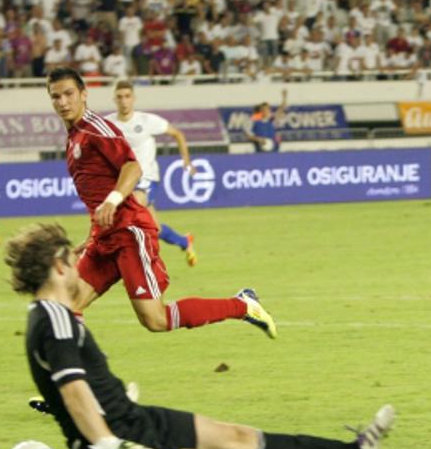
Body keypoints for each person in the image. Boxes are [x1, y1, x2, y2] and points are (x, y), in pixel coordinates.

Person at [5, 223, 395, 449]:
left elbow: (74, 389)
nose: (79, 265)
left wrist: (118, 403)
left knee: (240, 437)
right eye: (72, 259)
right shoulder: (54, 321)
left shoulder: (56, 317)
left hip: (136, 420)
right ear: (58, 267)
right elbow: (73, 394)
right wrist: (112, 446)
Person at [45, 67, 276, 337]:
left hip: (130, 233)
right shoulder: (75, 137)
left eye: (69, 94)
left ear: (84, 94)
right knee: (68, 305)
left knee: (155, 319)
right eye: (56, 97)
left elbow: (132, 168)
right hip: (105, 238)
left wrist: (113, 200)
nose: (63, 102)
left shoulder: (97, 129)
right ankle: (83, 377)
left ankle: (243, 305)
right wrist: (91, 236)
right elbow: (96, 197)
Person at [106, 80, 199, 267]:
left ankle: (135, 262)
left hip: (146, 178)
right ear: (114, 100)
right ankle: (184, 241)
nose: (124, 101)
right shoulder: (108, 123)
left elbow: (177, 134)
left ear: (134, 99)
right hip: (123, 180)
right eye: (120, 97)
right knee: (154, 228)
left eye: (127, 96)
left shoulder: (147, 121)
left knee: (136, 202)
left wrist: (186, 161)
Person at [248, 88, 290, 152]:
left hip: (273, 148)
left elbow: (281, 109)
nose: (266, 111)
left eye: (268, 109)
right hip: (260, 149)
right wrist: (259, 139)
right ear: (260, 111)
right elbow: (248, 135)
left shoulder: (270, 119)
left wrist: (284, 97)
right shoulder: (254, 121)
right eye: (264, 109)